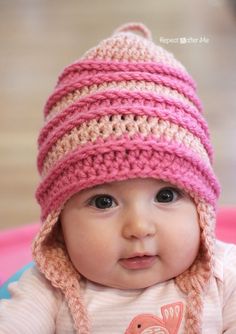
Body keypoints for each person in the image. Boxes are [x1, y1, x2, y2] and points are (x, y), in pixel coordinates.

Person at [0, 22, 235, 334]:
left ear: (201, 207)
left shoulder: (224, 276)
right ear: (58, 222)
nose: (138, 228)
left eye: (165, 196)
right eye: (103, 201)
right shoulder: (49, 288)